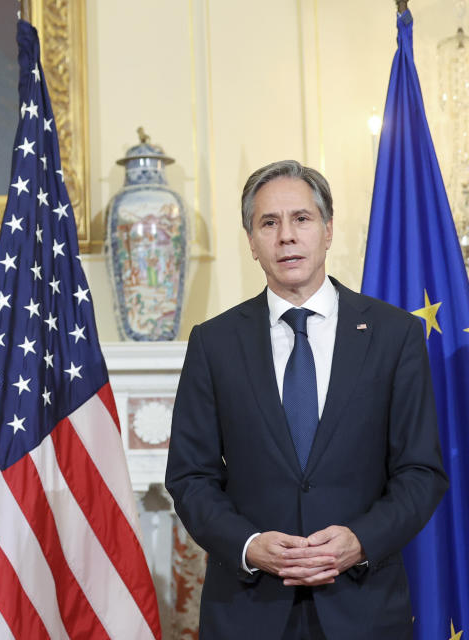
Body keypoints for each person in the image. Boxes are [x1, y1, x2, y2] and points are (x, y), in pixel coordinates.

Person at [165, 160, 449, 639]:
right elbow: (191, 475)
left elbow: (420, 471)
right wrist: (249, 544)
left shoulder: (394, 333)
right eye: (268, 223)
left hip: (364, 606)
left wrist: (360, 541)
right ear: (252, 243)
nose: (286, 237)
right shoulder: (213, 343)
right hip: (248, 609)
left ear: (328, 230)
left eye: (301, 219)